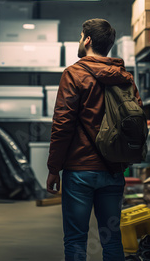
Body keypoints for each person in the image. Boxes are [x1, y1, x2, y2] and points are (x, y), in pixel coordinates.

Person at [46, 18, 143, 261]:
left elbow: (62, 125)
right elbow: (135, 122)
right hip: (113, 170)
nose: (80, 40)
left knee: (76, 238)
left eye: (81, 36)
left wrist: (53, 168)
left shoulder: (74, 74)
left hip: (79, 170)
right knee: (111, 239)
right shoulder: (124, 78)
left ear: (87, 40)